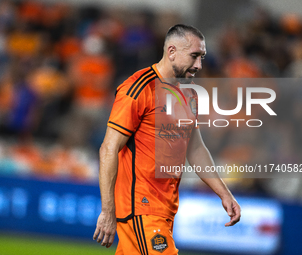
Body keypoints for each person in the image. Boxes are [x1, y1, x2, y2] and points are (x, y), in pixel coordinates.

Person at [93, 24, 241, 254]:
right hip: (141, 208)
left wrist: (224, 194)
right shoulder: (138, 88)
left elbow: (195, 149)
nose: (199, 65)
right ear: (171, 51)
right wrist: (107, 210)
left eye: (202, 57)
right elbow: (108, 149)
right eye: (194, 56)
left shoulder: (189, 93)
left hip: (163, 209)